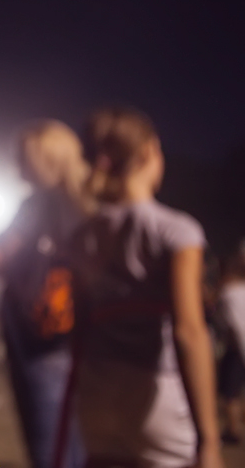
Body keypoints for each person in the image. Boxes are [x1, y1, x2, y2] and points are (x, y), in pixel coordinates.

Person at [67, 107, 223, 468]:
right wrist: (210, 441)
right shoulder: (176, 229)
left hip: (95, 391)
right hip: (157, 394)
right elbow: (190, 332)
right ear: (149, 152)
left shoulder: (80, 235)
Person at [0, 119, 89, 468]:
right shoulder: (89, 203)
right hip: (78, 333)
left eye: (24, 158)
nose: (18, 166)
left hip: (41, 333)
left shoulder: (38, 205)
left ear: (45, 159)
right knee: (74, 436)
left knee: (47, 437)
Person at [218, 241, 245, 444]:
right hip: (237, 347)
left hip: (237, 348)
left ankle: (233, 430)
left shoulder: (230, 293)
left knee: (231, 391)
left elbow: (237, 326)